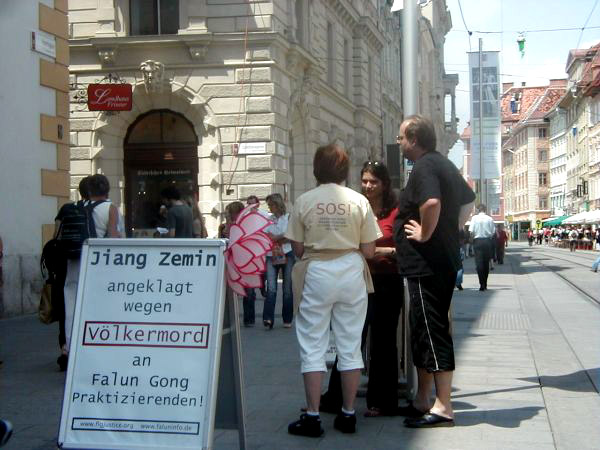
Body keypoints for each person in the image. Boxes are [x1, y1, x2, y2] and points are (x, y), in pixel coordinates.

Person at [285, 144, 381, 437]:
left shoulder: (304, 201)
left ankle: (313, 416)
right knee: (350, 345)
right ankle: (348, 414)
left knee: (312, 344)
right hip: (351, 271)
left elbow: (297, 249)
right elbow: (369, 250)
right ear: (344, 171)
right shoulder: (359, 201)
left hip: (316, 271)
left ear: (316, 170)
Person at [393, 115, 475, 428]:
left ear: (414, 140)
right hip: (436, 262)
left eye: (402, 137)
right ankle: (422, 399)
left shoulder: (425, 166)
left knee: (432, 330)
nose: (399, 142)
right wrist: (450, 230)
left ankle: (443, 406)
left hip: (427, 264)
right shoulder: (442, 163)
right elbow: (468, 200)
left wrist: (427, 233)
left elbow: (430, 202)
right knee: (423, 329)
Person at [319, 161, 402, 417]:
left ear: (384, 184)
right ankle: (335, 398)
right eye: (364, 181)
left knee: (384, 341)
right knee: (350, 338)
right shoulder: (354, 206)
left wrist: (381, 251)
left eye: (373, 181)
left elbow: (405, 248)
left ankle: (383, 401)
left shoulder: (396, 212)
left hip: (387, 281)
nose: (368, 186)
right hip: (356, 280)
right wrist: (373, 251)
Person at [54, 174, 120, 370]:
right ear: (106, 189)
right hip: (97, 264)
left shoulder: (69, 208)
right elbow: (114, 238)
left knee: (71, 306)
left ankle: (70, 348)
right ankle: (96, 349)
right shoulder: (110, 208)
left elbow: (56, 237)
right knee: (99, 306)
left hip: (72, 262)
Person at [262, 193, 295, 329]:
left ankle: (287, 318)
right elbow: (265, 235)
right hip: (271, 254)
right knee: (271, 287)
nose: (269, 207)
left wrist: (276, 237)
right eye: (269, 205)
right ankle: (268, 318)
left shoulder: (289, 217)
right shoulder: (268, 219)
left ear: (277, 204)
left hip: (287, 253)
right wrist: (280, 237)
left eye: (271, 204)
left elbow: (291, 235)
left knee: (287, 288)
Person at [469, 204, 495, 291]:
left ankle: (481, 284)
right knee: (486, 263)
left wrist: (471, 241)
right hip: (487, 241)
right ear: (485, 210)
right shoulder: (490, 219)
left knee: (479, 263)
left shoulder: (474, 218)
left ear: (478, 210)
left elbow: (471, 232)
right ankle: (485, 283)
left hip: (477, 241)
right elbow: (493, 232)